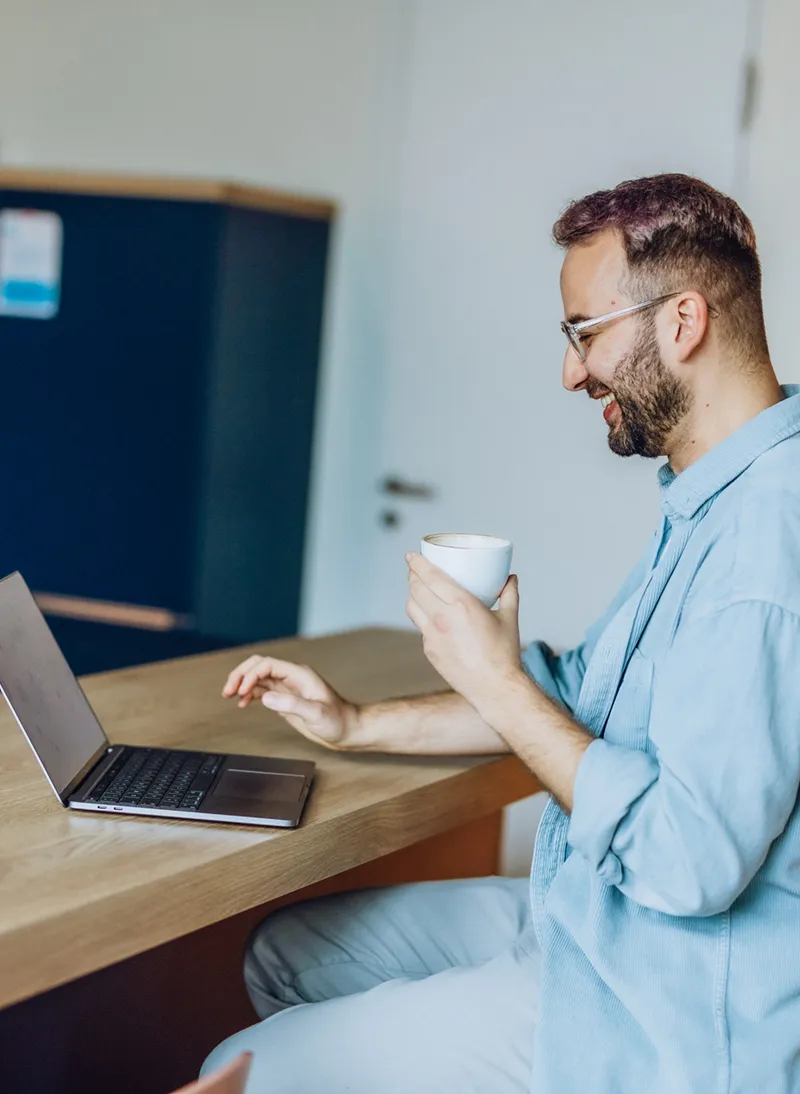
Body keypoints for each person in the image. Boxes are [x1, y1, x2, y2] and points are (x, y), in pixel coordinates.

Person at [201, 174, 800, 1094]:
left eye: (583, 334)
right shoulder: (711, 500)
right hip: (591, 914)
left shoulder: (766, 548)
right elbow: (573, 695)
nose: (570, 372)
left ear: (683, 323)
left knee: (237, 1071)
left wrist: (500, 680)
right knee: (283, 955)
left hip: (660, 1007)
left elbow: (689, 861)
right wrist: (355, 722)